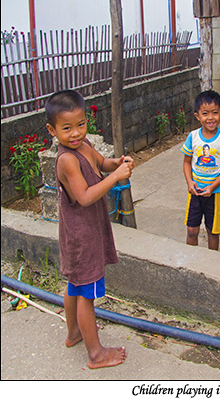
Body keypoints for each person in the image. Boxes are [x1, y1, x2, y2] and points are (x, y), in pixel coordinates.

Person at [45, 89, 134, 368]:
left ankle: (73, 333)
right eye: (67, 128)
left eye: (81, 125)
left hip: (83, 233)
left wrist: (116, 164)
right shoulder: (67, 160)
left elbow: (101, 164)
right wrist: (117, 178)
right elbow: (84, 196)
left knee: (75, 285)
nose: (75, 133)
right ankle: (95, 354)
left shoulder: (83, 147)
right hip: (82, 237)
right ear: (52, 129)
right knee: (87, 293)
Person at [181, 90, 220, 250]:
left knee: (212, 232)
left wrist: (212, 186)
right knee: (192, 230)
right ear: (198, 116)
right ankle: (192, 260)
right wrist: (189, 183)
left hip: (215, 193)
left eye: (215, 113)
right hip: (195, 192)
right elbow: (186, 162)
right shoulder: (193, 137)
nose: (210, 118)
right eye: (205, 113)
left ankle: (212, 262)